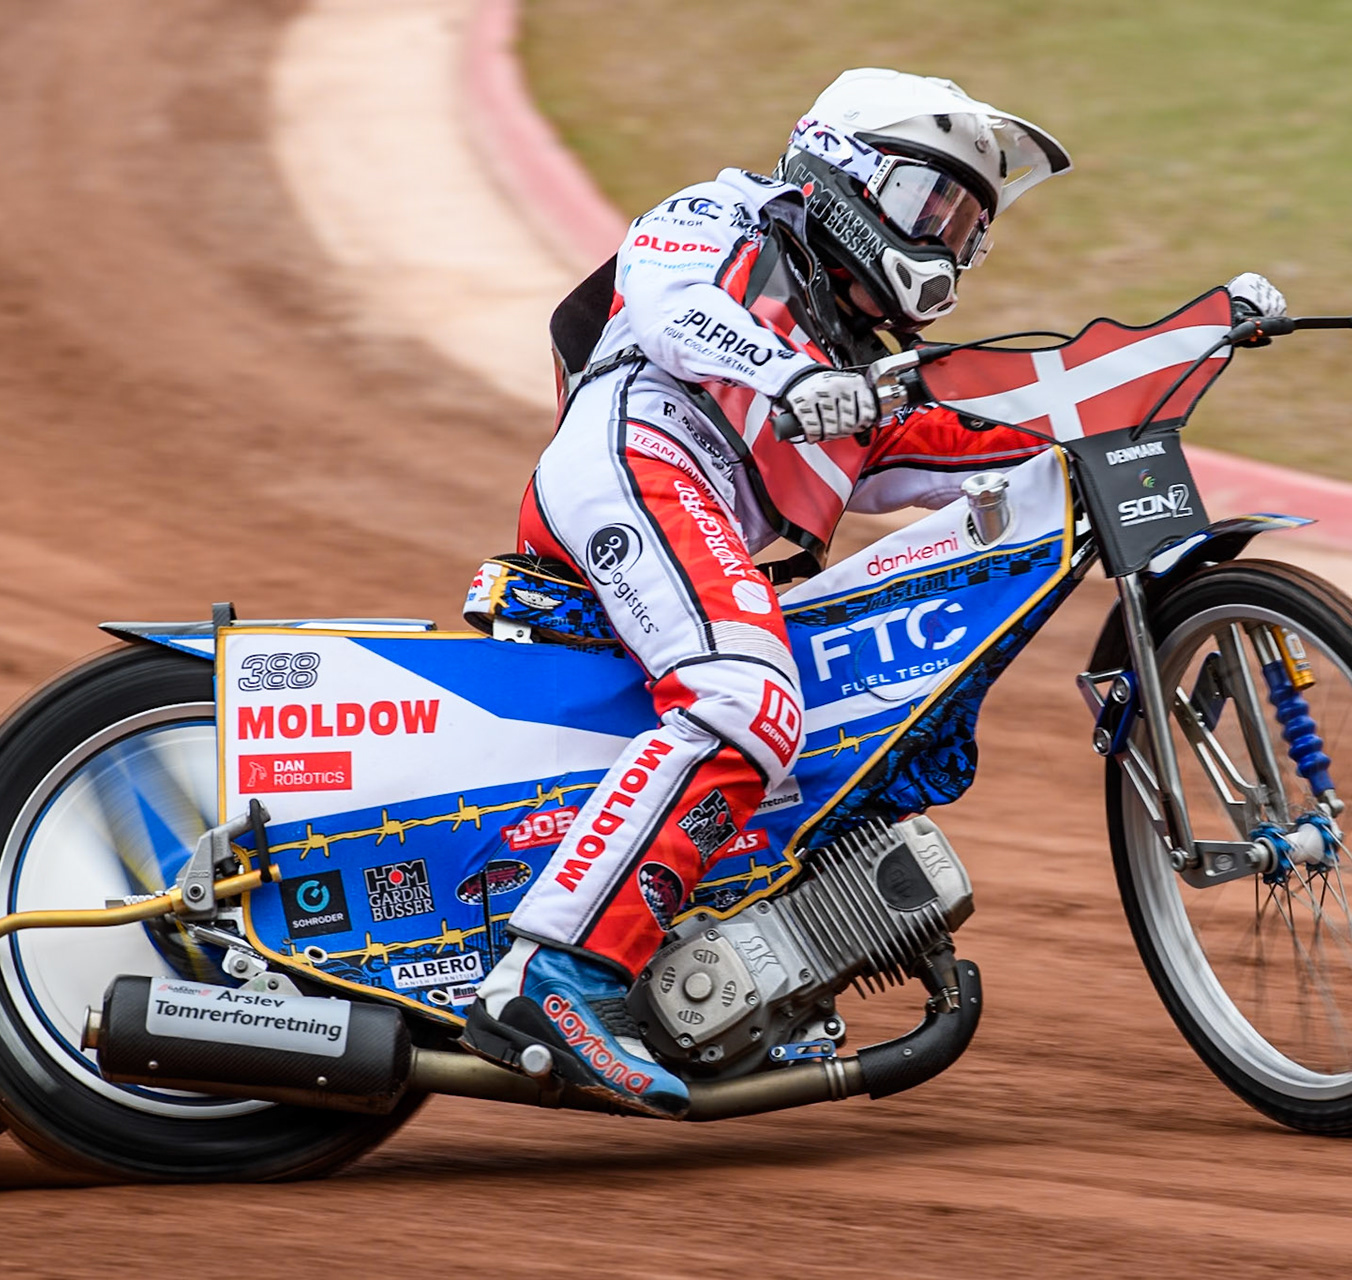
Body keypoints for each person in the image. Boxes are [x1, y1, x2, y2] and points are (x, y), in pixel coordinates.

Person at [462, 67, 1287, 1116]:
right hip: (636, 451)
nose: (943, 241)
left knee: (818, 729)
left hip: (691, 498)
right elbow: (671, 307)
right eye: (927, 202)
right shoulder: (726, 211)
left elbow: (964, 446)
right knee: (744, 694)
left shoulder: (865, 368)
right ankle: (552, 976)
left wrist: (1148, 376)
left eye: (965, 225)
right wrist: (791, 377)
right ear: (841, 170)